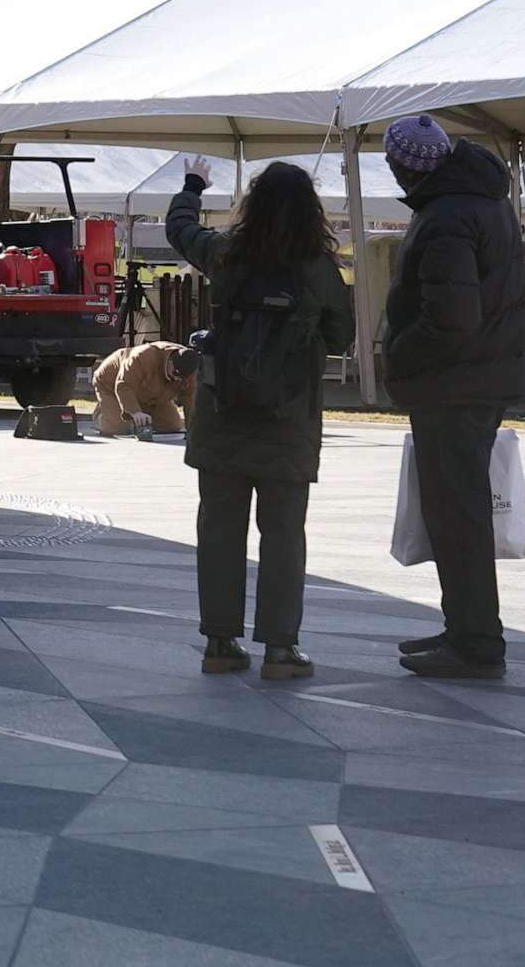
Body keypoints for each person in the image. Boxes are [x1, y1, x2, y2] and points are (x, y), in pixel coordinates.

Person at [167, 158, 351, 681]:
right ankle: (280, 650)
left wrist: (193, 186)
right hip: (288, 418)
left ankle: (220, 644)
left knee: (220, 528)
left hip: (223, 411)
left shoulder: (228, 254)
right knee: (284, 533)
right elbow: (340, 339)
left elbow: (179, 229)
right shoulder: (318, 268)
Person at [379, 114, 525, 680]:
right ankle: (467, 629)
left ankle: (474, 641)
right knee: (457, 511)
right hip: (478, 379)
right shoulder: (479, 199)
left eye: (391, 160)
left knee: (458, 515)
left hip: (456, 385)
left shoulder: (446, 216)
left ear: (406, 164)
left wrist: (397, 355)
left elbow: (452, 318)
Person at [92, 340, 193, 438]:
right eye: (175, 373)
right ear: (170, 361)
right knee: (117, 428)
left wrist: (193, 428)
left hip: (153, 395)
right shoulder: (141, 357)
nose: (177, 379)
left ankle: (137, 411)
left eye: (182, 378)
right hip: (112, 385)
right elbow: (124, 385)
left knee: (172, 426)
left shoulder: (191, 368)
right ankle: (102, 412)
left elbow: (190, 398)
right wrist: (135, 411)